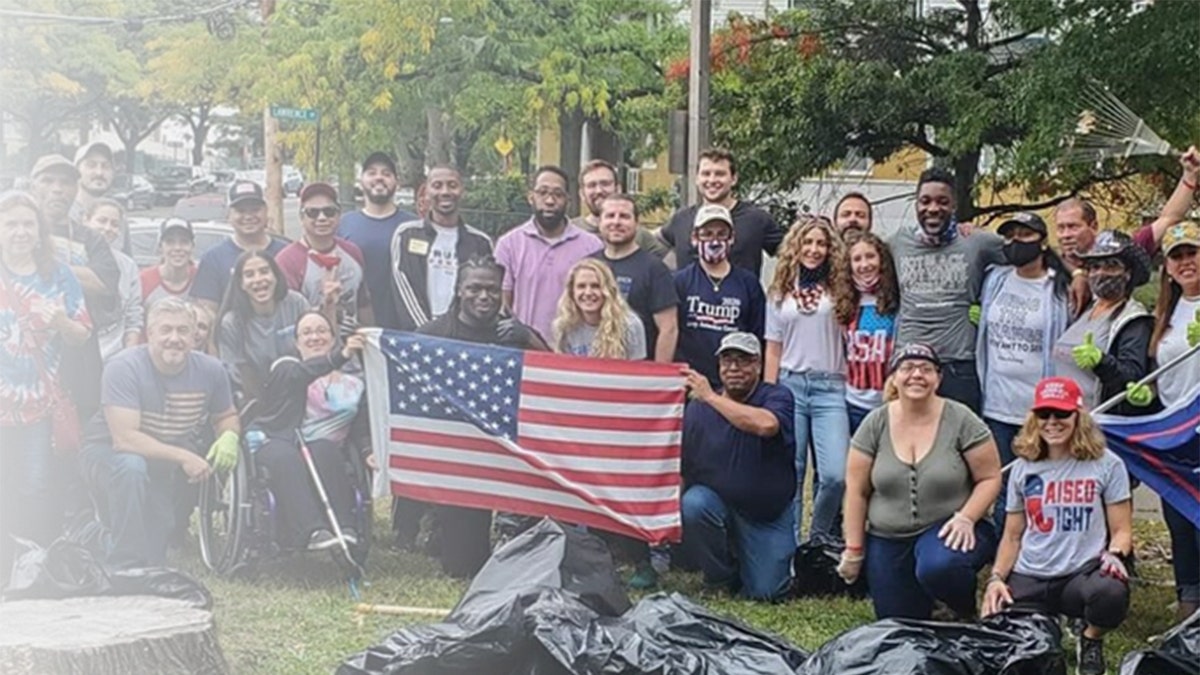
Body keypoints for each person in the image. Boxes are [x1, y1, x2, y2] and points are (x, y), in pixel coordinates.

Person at [838, 343, 1002, 620]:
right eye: (907, 368)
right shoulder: (874, 423)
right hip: (887, 538)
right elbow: (856, 491)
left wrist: (967, 517)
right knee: (898, 625)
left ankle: (961, 609)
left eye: (926, 369)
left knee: (939, 566)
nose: (917, 375)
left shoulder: (962, 418)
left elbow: (990, 477)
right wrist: (854, 550)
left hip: (948, 529)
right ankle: (927, 603)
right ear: (894, 378)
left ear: (938, 379)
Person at [982, 376, 1133, 675]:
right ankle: (1050, 624)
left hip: (1081, 571)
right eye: (1044, 414)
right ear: (1033, 419)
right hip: (1032, 572)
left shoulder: (1108, 464)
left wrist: (1115, 554)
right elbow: (1013, 535)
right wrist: (996, 578)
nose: (1052, 422)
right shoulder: (1023, 468)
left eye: (1062, 414)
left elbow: (1122, 530)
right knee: (1007, 643)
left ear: (1078, 417)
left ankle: (1090, 638)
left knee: (1112, 593)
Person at [81, 297, 239, 568]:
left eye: (183, 330)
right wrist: (184, 457)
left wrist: (229, 436)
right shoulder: (123, 367)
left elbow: (226, 416)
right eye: (165, 330)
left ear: (195, 337)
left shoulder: (212, 370)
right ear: (149, 333)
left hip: (160, 460)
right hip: (108, 452)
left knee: (156, 548)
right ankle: (125, 565)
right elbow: (125, 439)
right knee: (132, 467)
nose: (174, 338)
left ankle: (101, 541)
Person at [413, 256, 546, 576]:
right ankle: (437, 521)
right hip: (457, 451)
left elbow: (554, 373)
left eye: (491, 289)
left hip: (509, 442)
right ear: (459, 290)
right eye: (474, 288)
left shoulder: (513, 332)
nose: (484, 296)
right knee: (463, 567)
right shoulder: (435, 332)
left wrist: (528, 337)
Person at [0, 190, 93, 583]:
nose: (20, 232)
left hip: (40, 405)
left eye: (27, 224)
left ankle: (33, 568)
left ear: (39, 231)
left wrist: (59, 322)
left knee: (35, 486)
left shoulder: (59, 275)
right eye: (11, 224)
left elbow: (82, 334)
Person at [679, 332, 796, 601]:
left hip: (766, 514)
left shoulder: (777, 395)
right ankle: (719, 577)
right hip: (716, 505)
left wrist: (710, 397)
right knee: (693, 504)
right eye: (727, 361)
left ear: (757, 365)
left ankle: (746, 554)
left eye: (743, 361)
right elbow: (683, 468)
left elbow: (765, 425)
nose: (734, 368)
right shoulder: (697, 411)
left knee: (767, 592)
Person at [975, 212, 1073, 529]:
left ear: (1043, 242)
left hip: (1039, 408)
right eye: (1010, 235)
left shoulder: (1061, 289)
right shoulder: (995, 279)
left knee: (1040, 486)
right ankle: (1006, 556)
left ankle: (1038, 552)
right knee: (1003, 485)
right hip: (996, 405)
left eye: (1025, 235)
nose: (1016, 242)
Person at [763, 216, 852, 543]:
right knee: (793, 473)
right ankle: (790, 550)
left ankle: (815, 540)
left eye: (821, 244)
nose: (814, 250)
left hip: (831, 388)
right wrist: (770, 397)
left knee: (834, 476)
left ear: (830, 250)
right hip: (790, 386)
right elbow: (772, 348)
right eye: (808, 242)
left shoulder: (842, 288)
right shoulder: (780, 291)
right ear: (796, 246)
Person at [888, 167, 1005, 413]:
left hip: (959, 366)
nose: (933, 208)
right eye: (925, 201)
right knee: (908, 445)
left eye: (943, 202)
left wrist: (1078, 274)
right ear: (916, 204)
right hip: (909, 363)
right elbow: (856, 262)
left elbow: (1029, 252)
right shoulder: (897, 242)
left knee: (961, 446)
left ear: (953, 206)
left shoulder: (976, 242)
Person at [251, 312, 367, 551]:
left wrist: (367, 450)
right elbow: (301, 375)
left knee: (324, 448)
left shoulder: (354, 385)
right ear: (296, 343)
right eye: (307, 332)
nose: (315, 336)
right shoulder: (286, 369)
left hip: (324, 448)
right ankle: (311, 531)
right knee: (286, 457)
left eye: (322, 330)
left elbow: (360, 425)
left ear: (333, 337)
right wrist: (340, 356)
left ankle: (344, 528)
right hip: (279, 441)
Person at [29, 153, 118, 425]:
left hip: (78, 362)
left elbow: (104, 283)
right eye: (48, 180)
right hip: (23, 363)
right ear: (33, 186)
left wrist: (42, 262)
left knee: (76, 444)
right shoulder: (14, 230)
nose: (57, 189)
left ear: (75, 189)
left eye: (66, 182)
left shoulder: (89, 237)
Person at [1148, 221, 1200, 620]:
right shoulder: (1165, 311)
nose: (1186, 262)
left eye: (1192, 252)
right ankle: (1189, 601)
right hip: (1173, 433)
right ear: (1167, 266)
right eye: (1177, 256)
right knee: (1179, 519)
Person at [493, 165, 603, 341]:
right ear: (531, 197)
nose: (550, 201)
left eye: (557, 194)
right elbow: (502, 304)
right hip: (525, 351)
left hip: (575, 351)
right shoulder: (509, 244)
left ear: (569, 200)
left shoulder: (592, 246)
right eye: (542, 193)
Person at [1051, 230, 1154, 415]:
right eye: (1095, 266)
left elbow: (1132, 378)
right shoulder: (1082, 308)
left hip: (1097, 425)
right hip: (1063, 419)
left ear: (1128, 273)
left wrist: (1101, 361)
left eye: (1111, 266)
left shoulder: (1134, 320)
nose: (1101, 273)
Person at [389, 165, 492, 330]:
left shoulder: (480, 242)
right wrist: (427, 332)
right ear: (427, 192)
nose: (445, 192)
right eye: (437, 186)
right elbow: (403, 288)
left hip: (462, 340)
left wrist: (456, 333)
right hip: (418, 337)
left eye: (452, 185)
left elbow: (484, 293)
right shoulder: (407, 234)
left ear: (462, 191)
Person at [674, 204, 766, 386]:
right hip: (690, 383)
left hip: (735, 384)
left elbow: (759, 336)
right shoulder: (679, 281)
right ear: (694, 238)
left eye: (721, 234)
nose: (714, 241)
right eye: (707, 234)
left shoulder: (749, 283)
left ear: (731, 238)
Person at [658, 148, 783, 278]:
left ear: (734, 179)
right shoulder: (681, 219)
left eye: (720, 174)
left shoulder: (757, 220)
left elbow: (792, 254)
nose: (712, 180)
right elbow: (649, 246)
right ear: (697, 179)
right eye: (706, 174)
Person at [275, 182, 373, 334]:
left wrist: (371, 340)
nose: (322, 218)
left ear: (339, 215)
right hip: (312, 347)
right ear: (301, 218)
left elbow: (363, 304)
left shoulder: (352, 251)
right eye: (312, 213)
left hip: (353, 346)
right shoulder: (287, 261)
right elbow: (286, 318)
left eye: (329, 211)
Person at [590, 194, 678, 362]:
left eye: (624, 216)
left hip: (637, 370)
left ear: (637, 223)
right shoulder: (588, 265)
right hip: (593, 368)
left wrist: (658, 376)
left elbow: (669, 328)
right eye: (610, 216)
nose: (616, 222)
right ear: (600, 222)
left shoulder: (654, 269)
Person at [337, 151, 418, 330]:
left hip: (406, 329)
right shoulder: (344, 224)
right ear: (361, 181)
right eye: (372, 173)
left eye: (386, 173)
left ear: (396, 182)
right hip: (359, 328)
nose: (379, 178)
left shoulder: (414, 226)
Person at [215, 250, 310, 401]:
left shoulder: (296, 303)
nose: (258, 279)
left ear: (276, 276)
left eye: (264, 271)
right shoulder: (231, 323)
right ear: (241, 284)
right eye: (249, 275)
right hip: (258, 397)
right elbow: (236, 375)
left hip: (303, 388)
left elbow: (316, 351)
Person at [191, 181, 287, 314]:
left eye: (255, 210)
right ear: (229, 215)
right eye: (241, 211)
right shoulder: (213, 259)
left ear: (266, 212)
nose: (248, 216)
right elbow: (207, 314)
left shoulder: (286, 253)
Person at [842, 230, 899, 433]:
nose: (864, 264)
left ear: (881, 259)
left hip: (890, 403)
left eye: (870, 256)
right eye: (857, 259)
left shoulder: (897, 300)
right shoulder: (845, 302)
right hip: (853, 404)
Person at [81, 198, 143, 360]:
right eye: (102, 220)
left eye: (114, 224)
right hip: (78, 358)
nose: (107, 228)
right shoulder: (70, 258)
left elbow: (133, 315)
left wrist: (128, 358)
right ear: (85, 220)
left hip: (114, 358)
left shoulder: (127, 266)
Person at [552, 259, 646, 359]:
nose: (588, 292)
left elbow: (638, 369)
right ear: (572, 292)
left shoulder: (630, 325)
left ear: (608, 290)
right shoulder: (564, 326)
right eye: (581, 286)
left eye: (596, 286)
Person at [571, 159, 664, 255]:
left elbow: (669, 263)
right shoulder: (570, 232)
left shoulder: (637, 234)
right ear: (582, 194)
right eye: (592, 185)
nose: (599, 190)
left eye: (605, 184)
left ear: (618, 189)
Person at [140, 218, 198, 306]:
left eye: (184, 242)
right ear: (160, 247)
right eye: (170, 242)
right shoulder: (143, 280)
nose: (177, 248)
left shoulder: (201, 278)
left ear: (192, 247)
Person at [70, 142, 117, 242]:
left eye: (105, 166)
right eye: (91, 165)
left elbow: (126, 256)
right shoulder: (65, 213)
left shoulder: (116, 217)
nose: (99, 172)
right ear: (76, 170)